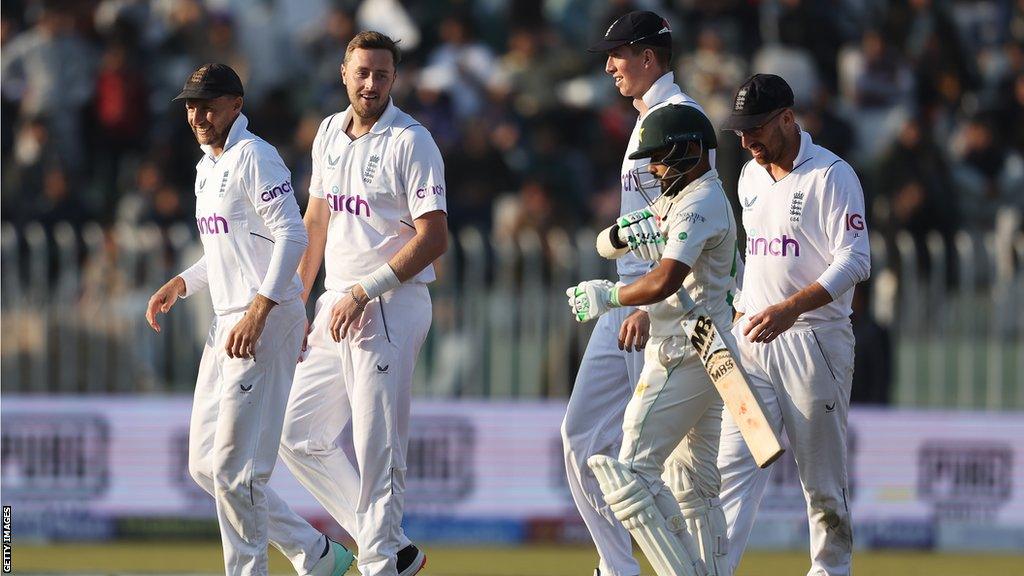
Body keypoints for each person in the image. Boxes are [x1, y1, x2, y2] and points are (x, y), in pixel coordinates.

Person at [145, 63, 353, 576]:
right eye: (191, 105)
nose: (197, 114)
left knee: (237, 473)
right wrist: (183, 282)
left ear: (236, 104)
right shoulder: (206, 166)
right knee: (204, 467)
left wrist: (260, 309)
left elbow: (293, 236)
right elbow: (227, 250)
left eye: (208, 103)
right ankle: (316, 552)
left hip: (265, 319)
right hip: (226, 321)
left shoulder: (255, 156)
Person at [277, 31, 446, 576]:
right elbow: (315, 223)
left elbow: (434, 238)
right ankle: (390, 548)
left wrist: (364, 290)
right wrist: (296, 304)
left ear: (394, 79)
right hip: (335, 303)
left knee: (378, 446)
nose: (371, 83)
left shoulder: (412, 141)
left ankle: (380, 561)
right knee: (297, 435)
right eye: (362, 72)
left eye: (382, 74)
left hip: (391, 303)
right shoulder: (328, 131)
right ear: (344, 73)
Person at [560, 11, 717, 576]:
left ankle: (694, 566)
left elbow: (687, 222)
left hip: (656, 309)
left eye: (618, 54)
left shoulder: (682, 119)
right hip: (624, 298)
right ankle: (617, 566)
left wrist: (650, 306)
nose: (609, 66)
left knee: (659, 462)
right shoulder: (649, 115)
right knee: (581, 437)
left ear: (649, 57)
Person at [717, 74, 871, 576]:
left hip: (813, 343)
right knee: (732, 469)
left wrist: (789, 309)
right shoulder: (749, 175)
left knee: (820, 482)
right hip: (753, 344)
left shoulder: (831, 175)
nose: (747, 141)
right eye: (740, 132)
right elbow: (755, 254)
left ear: (788, 116)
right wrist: (743, 305)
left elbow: (855, 261)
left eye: (756, 128)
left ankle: (830, 571)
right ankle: (711, 567)